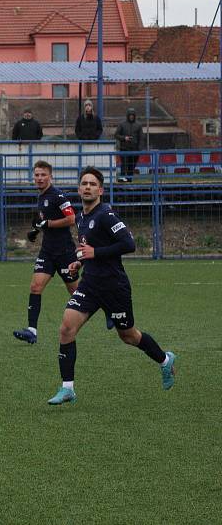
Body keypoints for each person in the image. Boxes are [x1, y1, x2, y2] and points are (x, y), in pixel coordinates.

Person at [47, 166, 177, 405]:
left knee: (128, 335)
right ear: (78, 189)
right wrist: (79, 262)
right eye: (84, 183)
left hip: (114, 286)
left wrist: (95, 253)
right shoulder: (83, 217)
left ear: (101, 190)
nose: (87, 187)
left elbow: (129, 244)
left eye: (92, 184)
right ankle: (68, 388)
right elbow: (89, 250)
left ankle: (165, 360)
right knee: (66, 329)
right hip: (90, 285)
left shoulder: (106, 214)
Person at [13, 160, 79, 344]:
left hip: (65, 252)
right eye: (37, 175)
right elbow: (44, 220)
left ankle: (109, 310)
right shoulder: (41, 197)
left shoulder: (58, 195)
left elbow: (71, 218)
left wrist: (48, 224)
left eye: (43, 175)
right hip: (47, 251)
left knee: (76, 292)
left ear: (50, 176)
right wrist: (35, 231)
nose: (39, 178)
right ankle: (32, 331)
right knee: (35, 287)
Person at [114, 107, 143, 183]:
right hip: (124, 148)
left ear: (134, 116)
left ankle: (129, 180)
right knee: (124, 164)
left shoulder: (138, 125)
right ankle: (123, 179)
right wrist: (124, 138)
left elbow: (141, 138)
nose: (131, 117)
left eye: (132, 115)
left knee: (132, 166)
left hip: (135, 150)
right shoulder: (122, 124)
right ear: (127, 115)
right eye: (130, 115)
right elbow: (116, 135)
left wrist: (139, 149)